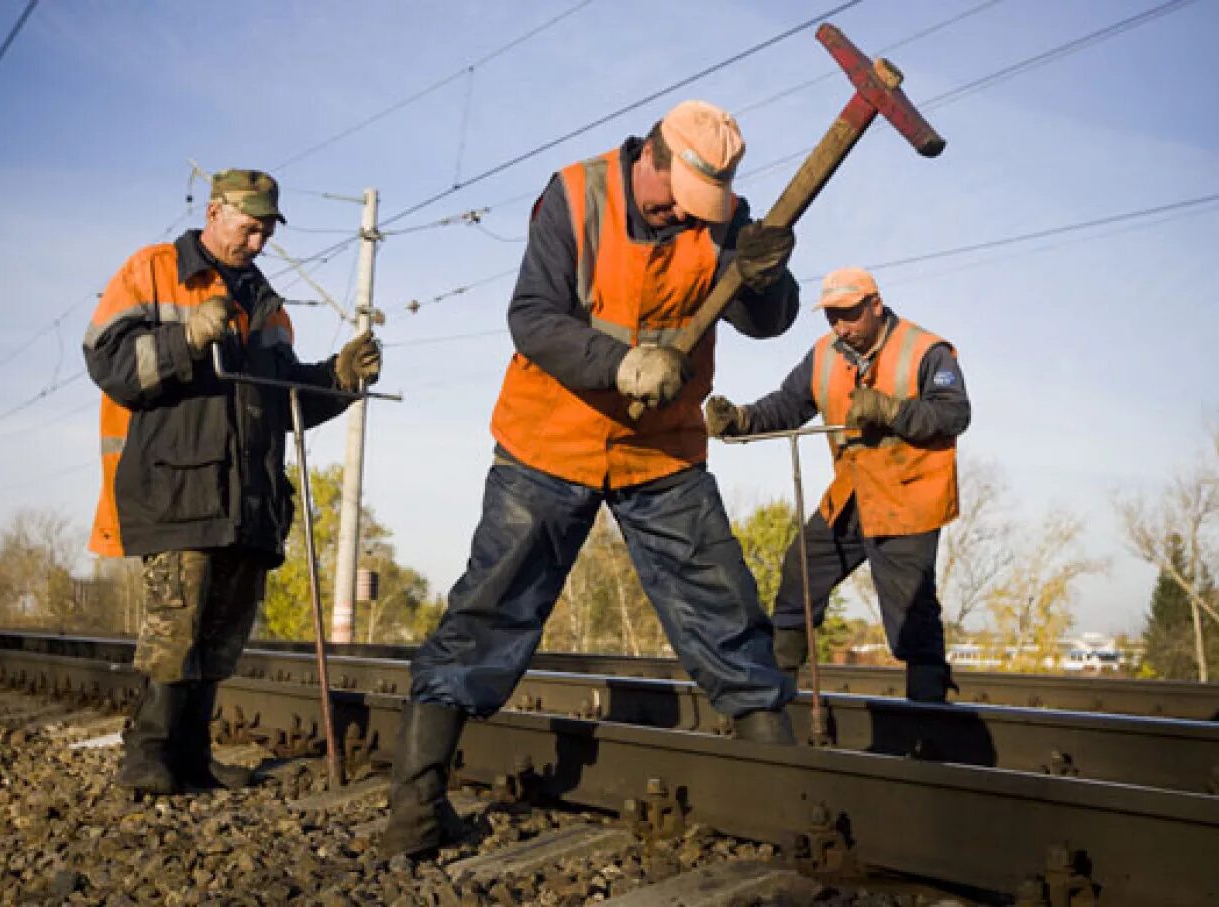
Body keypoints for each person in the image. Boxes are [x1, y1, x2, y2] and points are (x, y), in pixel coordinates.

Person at [384, 100, 801, 857]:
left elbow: (769, 320)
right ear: (656, 156)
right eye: (677, 199)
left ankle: (785, 793)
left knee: (726, 610)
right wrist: (619, 364)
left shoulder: (725, 220)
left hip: (661, 450)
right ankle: (414, 805)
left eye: (701, 210)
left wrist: (769, 279)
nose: (684, 215)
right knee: (491, 608)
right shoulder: (574, 197)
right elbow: (533, 316)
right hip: (551, 437)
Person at [82, 169, 382, 794]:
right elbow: (108, 361)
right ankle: (148, 754)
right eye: (250, 227)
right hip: (179, 486)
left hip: (248, 496)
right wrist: (186, 336)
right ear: (215, 212)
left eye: (267, 231)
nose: (258, 242)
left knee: (219, 633)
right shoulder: (155, 270)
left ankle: (190, 756)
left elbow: (281, 401)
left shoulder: (264, 299)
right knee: (176, 627)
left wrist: (340, 378)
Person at [705, 266, 969, 703]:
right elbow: (789, 404)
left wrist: (892, 412)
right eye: (831, 317)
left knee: (910, 614)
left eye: (848, 314)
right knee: (801, 570)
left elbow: (954, 413)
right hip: (852, 492)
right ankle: (778, 693)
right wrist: (742, 420)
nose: (840, 326)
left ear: (875, 306)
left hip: (908, 498)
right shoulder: (825, 354)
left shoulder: (926, 351)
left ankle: (930, 713)